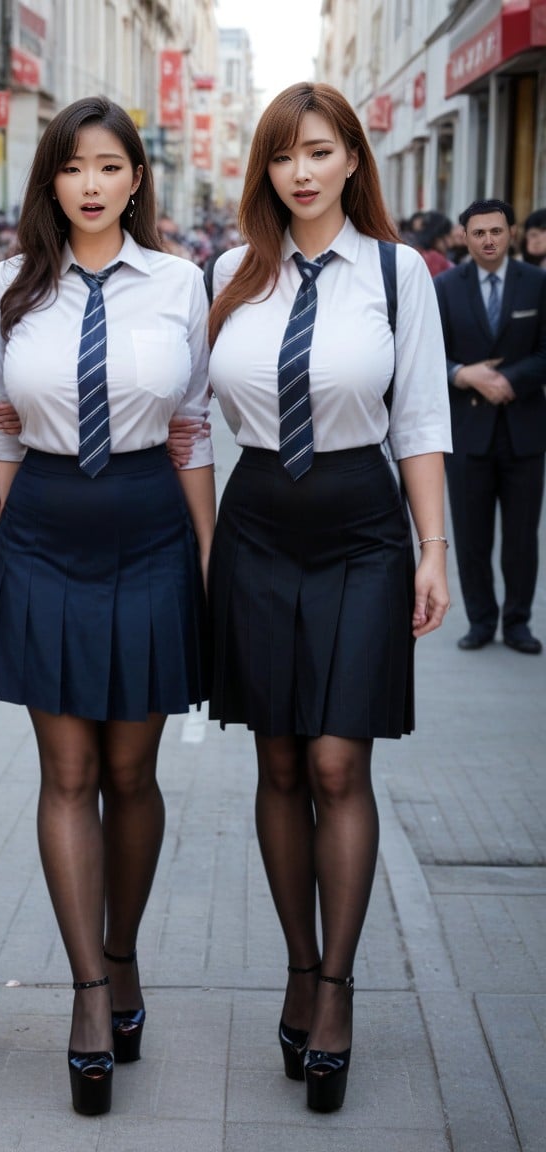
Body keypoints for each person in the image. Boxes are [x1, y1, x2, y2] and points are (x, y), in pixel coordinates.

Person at [206, 83, 451, 1113]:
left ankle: (340, 987)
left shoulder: (399, 276)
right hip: (259, 513)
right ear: (263, 171)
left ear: (354, 158)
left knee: (337, 757)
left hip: (359, 521)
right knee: (275, 756)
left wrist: (433, 549)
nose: (299, 172)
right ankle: (299, 966)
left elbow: (421, 420)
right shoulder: (229, 273)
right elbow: (184, 406)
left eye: (318, 151)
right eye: (280, 156)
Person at [0, 95, 214, 1117]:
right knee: (66, 770)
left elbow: (194, 428)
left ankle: (122, 956)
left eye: (109, 166)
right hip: (45, 523)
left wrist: (207, 560)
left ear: (136, 179)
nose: (90, 185)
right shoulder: (6, 287)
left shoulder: (181, 282)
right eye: (73, 167)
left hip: (151, 522)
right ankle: (85, 996)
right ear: (52, 180)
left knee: (133, 769)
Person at [434, 199, 546, 654]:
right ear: (464, 236)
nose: (487, 239)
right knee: (471, 535)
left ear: (511, 233)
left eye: (496, 231)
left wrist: (509, 380)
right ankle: (480, 620)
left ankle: (517, 622)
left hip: (524, 430)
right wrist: (462, 374)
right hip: (466, 431)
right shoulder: (444, 287)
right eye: (478, 232)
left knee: (522, 536)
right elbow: (426, 354)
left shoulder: (537, 284)